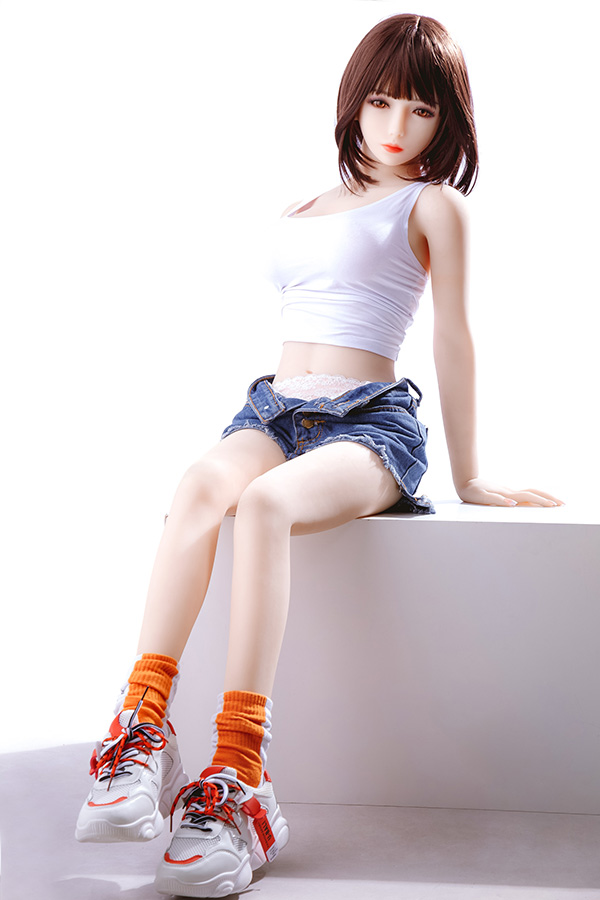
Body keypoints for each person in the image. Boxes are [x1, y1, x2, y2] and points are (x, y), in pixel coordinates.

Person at [75, 13, 562, 898]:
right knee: (199, 486)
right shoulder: (303, 207)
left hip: (371, 421)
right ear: (353, 102)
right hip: (274, 407)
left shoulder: (433, 205)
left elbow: (453, 336)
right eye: (381, 102)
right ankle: (141, 727)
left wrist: (469, 473)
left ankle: (240, 771)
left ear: (447, 121)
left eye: (421, 110)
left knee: (265, 507)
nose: (397, 126)